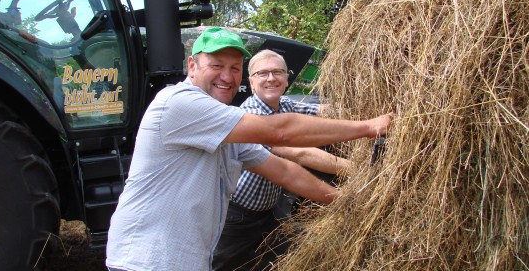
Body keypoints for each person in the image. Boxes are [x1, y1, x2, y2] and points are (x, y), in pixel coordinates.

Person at [105, 27, 393, 271]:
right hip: (145, 261)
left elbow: (284, 172)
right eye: (216, 66)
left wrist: (346, 201)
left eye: (234, 68)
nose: (227, 77)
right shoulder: (180, 103)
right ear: (191, 66)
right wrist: (368, 128)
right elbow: (280, 132)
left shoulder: (222, 124)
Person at [212, 49, 354, 271]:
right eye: (262, 73)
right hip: (238, 214)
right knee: (225, 265)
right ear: (251, 82)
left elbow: (324, 111)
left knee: (277, 258)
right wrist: (358, 169)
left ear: (287, 79)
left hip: (269, 210)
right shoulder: (251, 114)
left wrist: (361, 107)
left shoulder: (285, 104)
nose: (271, 78)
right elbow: (298, 153)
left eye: (277, 72)